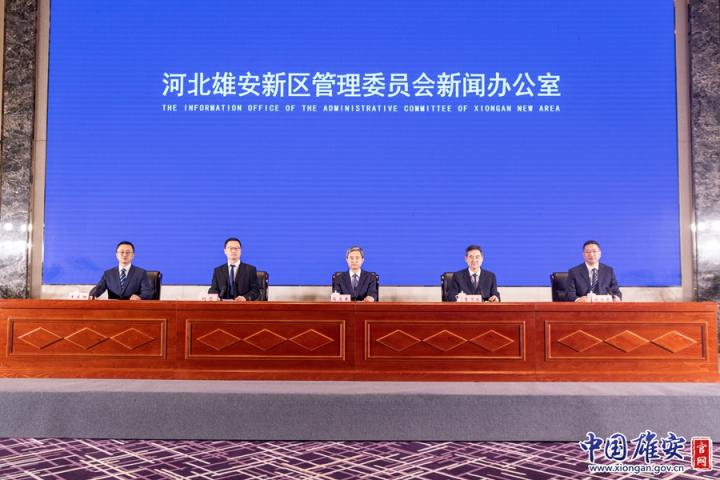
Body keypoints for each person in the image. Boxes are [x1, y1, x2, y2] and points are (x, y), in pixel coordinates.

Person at [89, 241, 154, 300]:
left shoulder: (141, 273)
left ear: (133, 255)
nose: (124, 255)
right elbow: (98, 289)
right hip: (113, 308)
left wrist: (139, 297)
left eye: (128, 252)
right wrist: (92, 295)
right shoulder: (108, 274)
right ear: (116, 255)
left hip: (133, 307)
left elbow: (147, 292)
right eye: (122, 252)